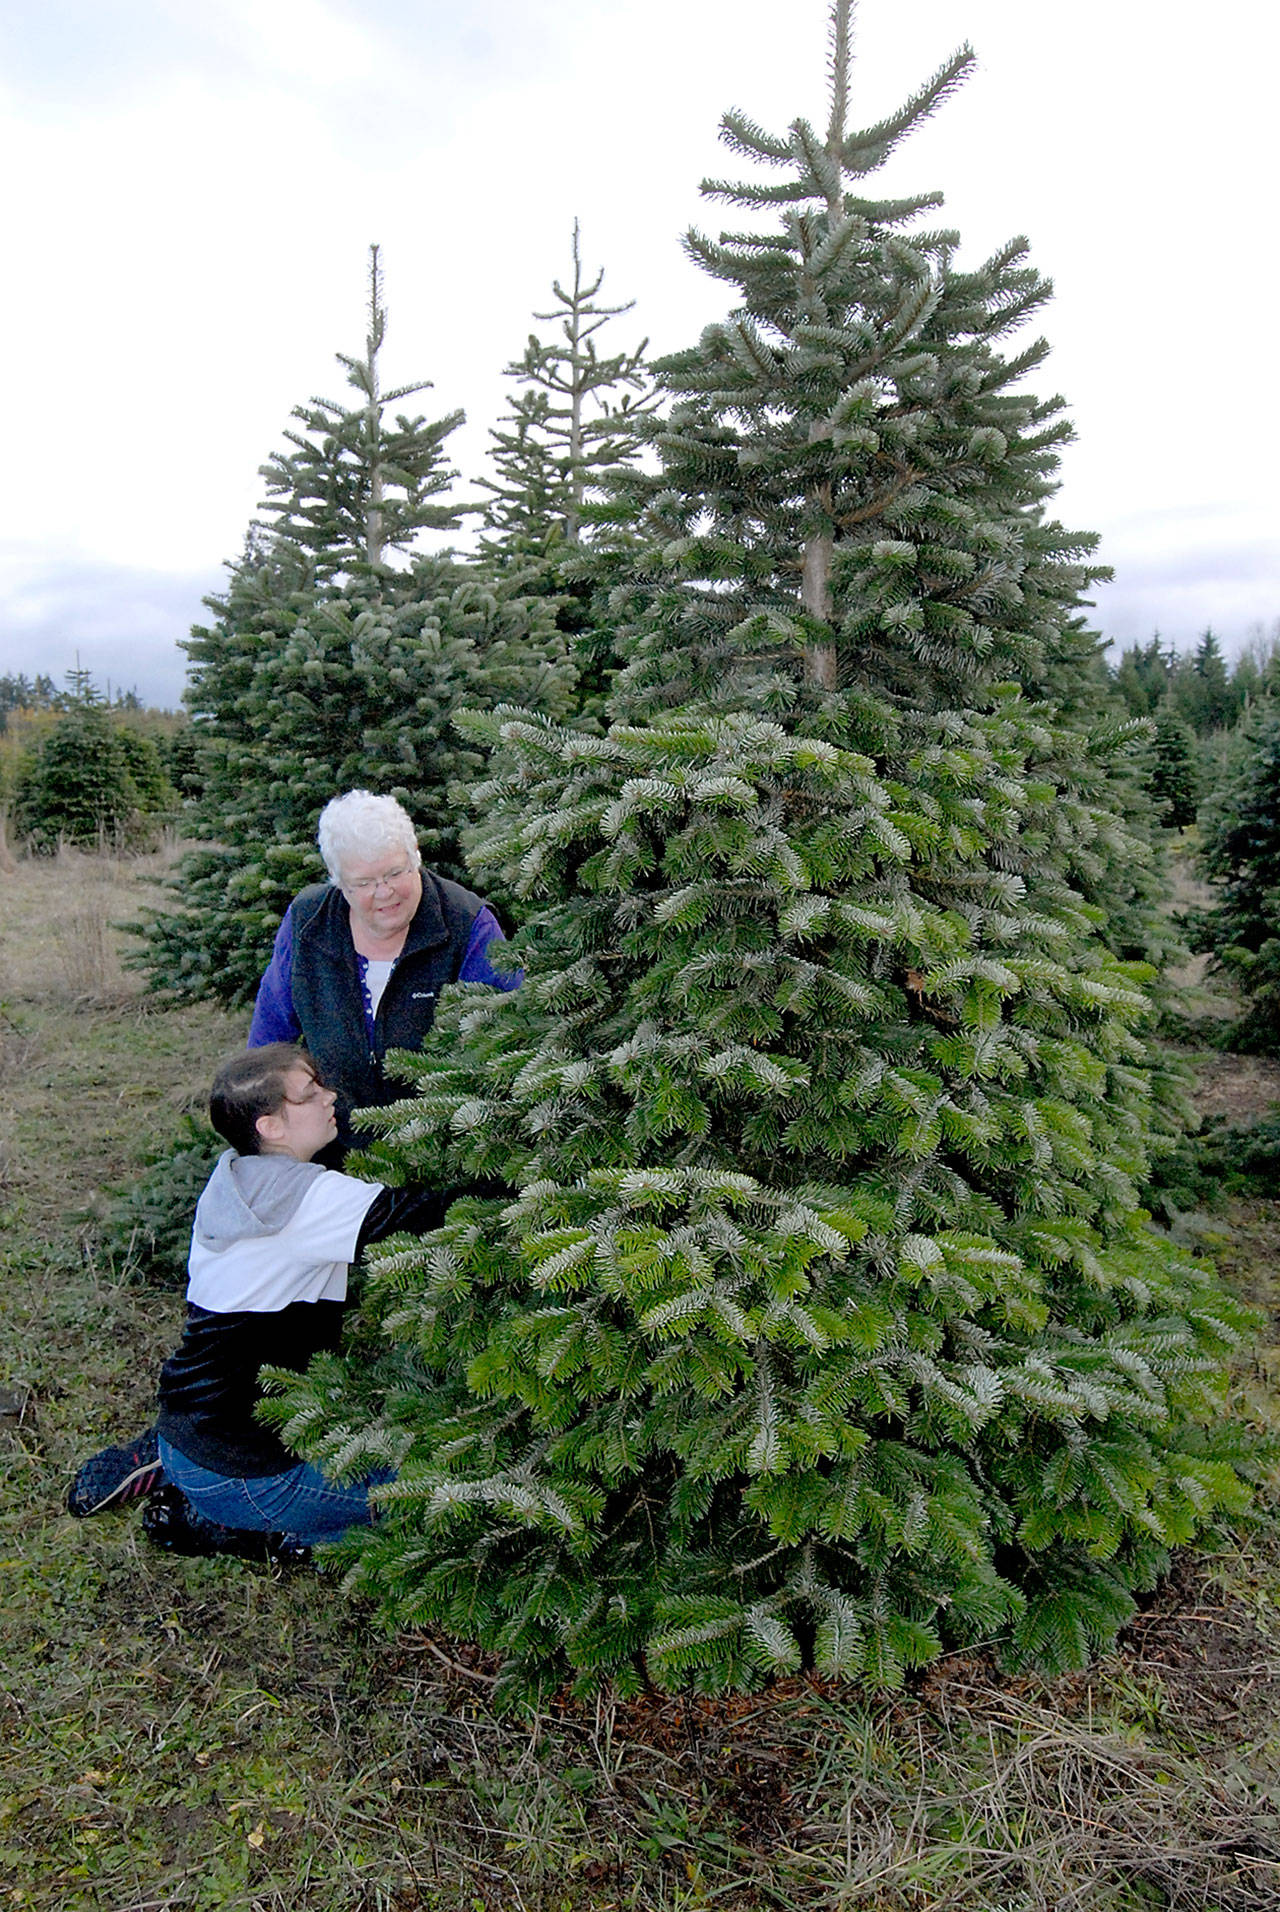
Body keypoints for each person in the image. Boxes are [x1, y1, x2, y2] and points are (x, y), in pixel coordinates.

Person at [68, 1044, 459, 1555]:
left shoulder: (235, 1176)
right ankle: (247, 1532)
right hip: (247, 1471)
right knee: (427, 1503)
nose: (330, 1098)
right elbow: (439, 1215)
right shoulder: (308, 1202)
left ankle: (186, 1480)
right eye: (310, 1093)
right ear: (271, 1127)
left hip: (191, 1427)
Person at [248, 789, 520, 1151]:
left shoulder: (467, 923)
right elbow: (267, 1045)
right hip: (333, 1151)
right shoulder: (307, 923)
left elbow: (506, 1039)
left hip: (446, 1153)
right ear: (339, 882)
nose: (385, 892)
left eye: (395, 872)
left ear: (416, 857)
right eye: (364, 883)